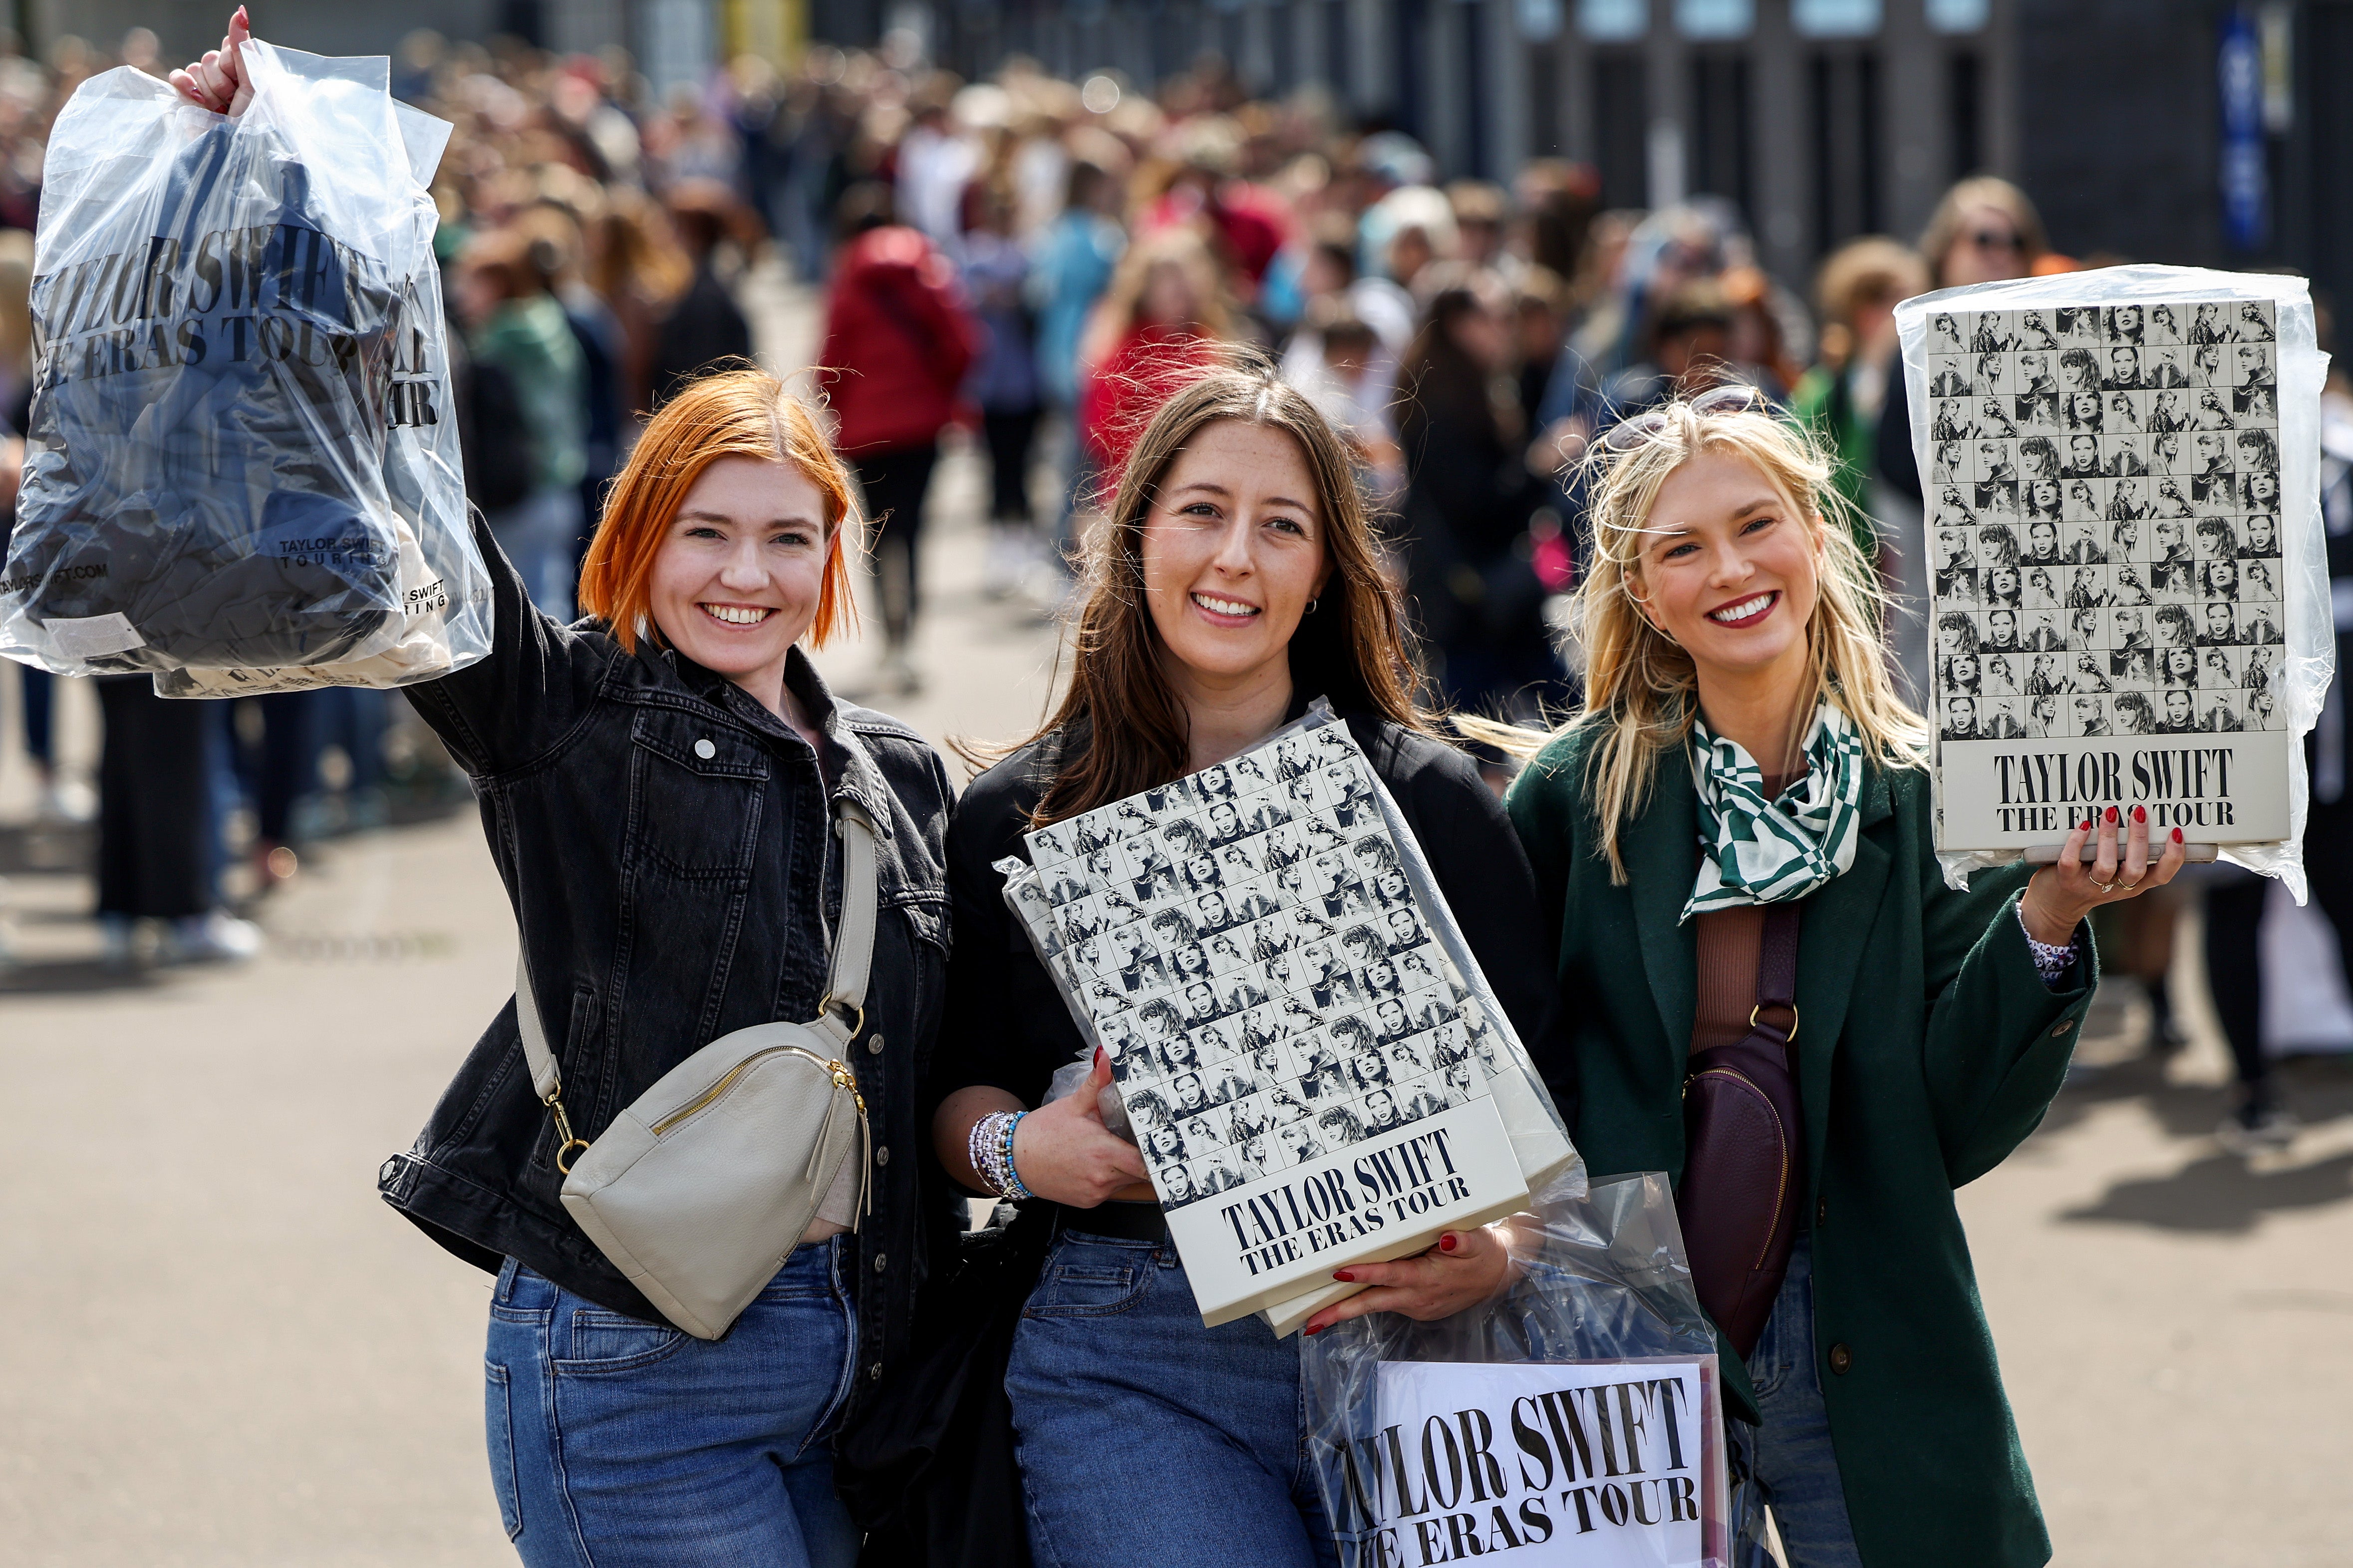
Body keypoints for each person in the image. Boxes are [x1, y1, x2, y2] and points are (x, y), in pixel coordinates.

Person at [1504, 391, 2182, 1568]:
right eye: (1680, 547)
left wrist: (2054, 909)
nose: (1728, 566)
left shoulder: (1930, 800)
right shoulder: (1574, 798)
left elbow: (1952, 1121)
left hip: (1864, 1325)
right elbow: (1504, 1066)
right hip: (1622, 1342)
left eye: (1755, 522)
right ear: (1645, 595)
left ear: (1818, 541)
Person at [928, 359, 1566, 1568]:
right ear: (1136, 535)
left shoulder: (1428, 800)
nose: (1236, 557)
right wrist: (1026, 1150)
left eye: (1283, 526)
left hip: (1414, 1342)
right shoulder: (1017, 813)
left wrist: (1500, 1252)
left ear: (1325, 569)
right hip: (1132, 1347)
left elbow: (1550, 1094)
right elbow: (949, 1095)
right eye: (1203, 511)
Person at [818, 183, 979, 694]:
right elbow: (963, 343)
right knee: (915, 528)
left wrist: (836, 412)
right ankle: (909, 632)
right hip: (922, 425)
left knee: (879, 532)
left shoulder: (846, 280)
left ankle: (889, 635)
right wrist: (943, 392)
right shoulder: (927, 270)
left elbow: (830, 364)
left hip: (867, 431)